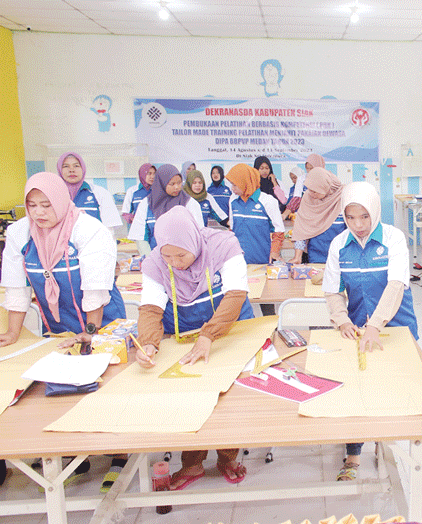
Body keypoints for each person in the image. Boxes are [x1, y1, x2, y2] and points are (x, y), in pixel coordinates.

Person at [0, 172, 127, 490]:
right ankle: (76, 456)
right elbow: (16, 287)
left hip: (101, 320)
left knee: (107, 388)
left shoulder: (88, 229)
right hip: (57, 325)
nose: (39, 212)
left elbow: (95, 289)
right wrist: (13, 333)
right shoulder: (20, 233)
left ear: (60, 200)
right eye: (32, 205)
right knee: (61, 392)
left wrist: (90, 332)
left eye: (46, 204)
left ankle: (120, 456)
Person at [134, 205, 253, 489]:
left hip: (230, 327)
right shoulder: (154, 262)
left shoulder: (223, 245)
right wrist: (149, 343)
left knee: (229, 396)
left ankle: (227, 456)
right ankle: (192, 462)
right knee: (189, 394)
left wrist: (209, 334)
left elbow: (235, 295)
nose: (174, 262)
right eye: (168, 255)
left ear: (194, 243)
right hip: (187, 333)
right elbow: (150, 308)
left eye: (182, 255)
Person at [321, 181, 418, 481]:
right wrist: (342, 320)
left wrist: (376, 324)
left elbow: (396, 284)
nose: (358, 225)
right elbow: (333, 290)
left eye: (364, 216)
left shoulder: (394, 239)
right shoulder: (339, 244)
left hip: (395, 327)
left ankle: (383, 443)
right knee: (355, 389)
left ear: (374, 211)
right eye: (350, 217)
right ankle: (353, 453)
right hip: (357, 330)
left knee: (388, 390)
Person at [128, 164, 203, 255]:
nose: (177, 187)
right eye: (172, 184)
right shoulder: (146, 204)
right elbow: (140, 237)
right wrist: (151, 261)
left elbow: (198, 235)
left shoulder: (189, 203)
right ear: (161, 183)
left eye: (179, 183)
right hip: (154, 258)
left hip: (183, 260)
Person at [225, 163, 285, 264]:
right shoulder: (233, 200)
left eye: (235, 184)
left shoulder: (268, 201)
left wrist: (274, 252)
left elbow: (278, 231)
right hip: (237, 261)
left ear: (245, 182)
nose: (232, 188)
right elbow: (232, 229)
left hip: (261, 260)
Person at [288, 167, 345, 264]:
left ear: (324, 186)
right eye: (309, 189)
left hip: (341, 255)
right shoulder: (308, 198)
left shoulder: (343, 197)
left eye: (314, 191)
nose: (311, 194)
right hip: (316, 254)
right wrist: (297, 257)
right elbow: (302, 228)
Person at [57, 151, 122, 230]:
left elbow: (110, 227)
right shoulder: (53, 194)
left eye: (76, 166)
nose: (71, 170)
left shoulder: (100, 193)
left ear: (83, 169)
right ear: (60, 170)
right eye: (66, 166)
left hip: (94, 241)